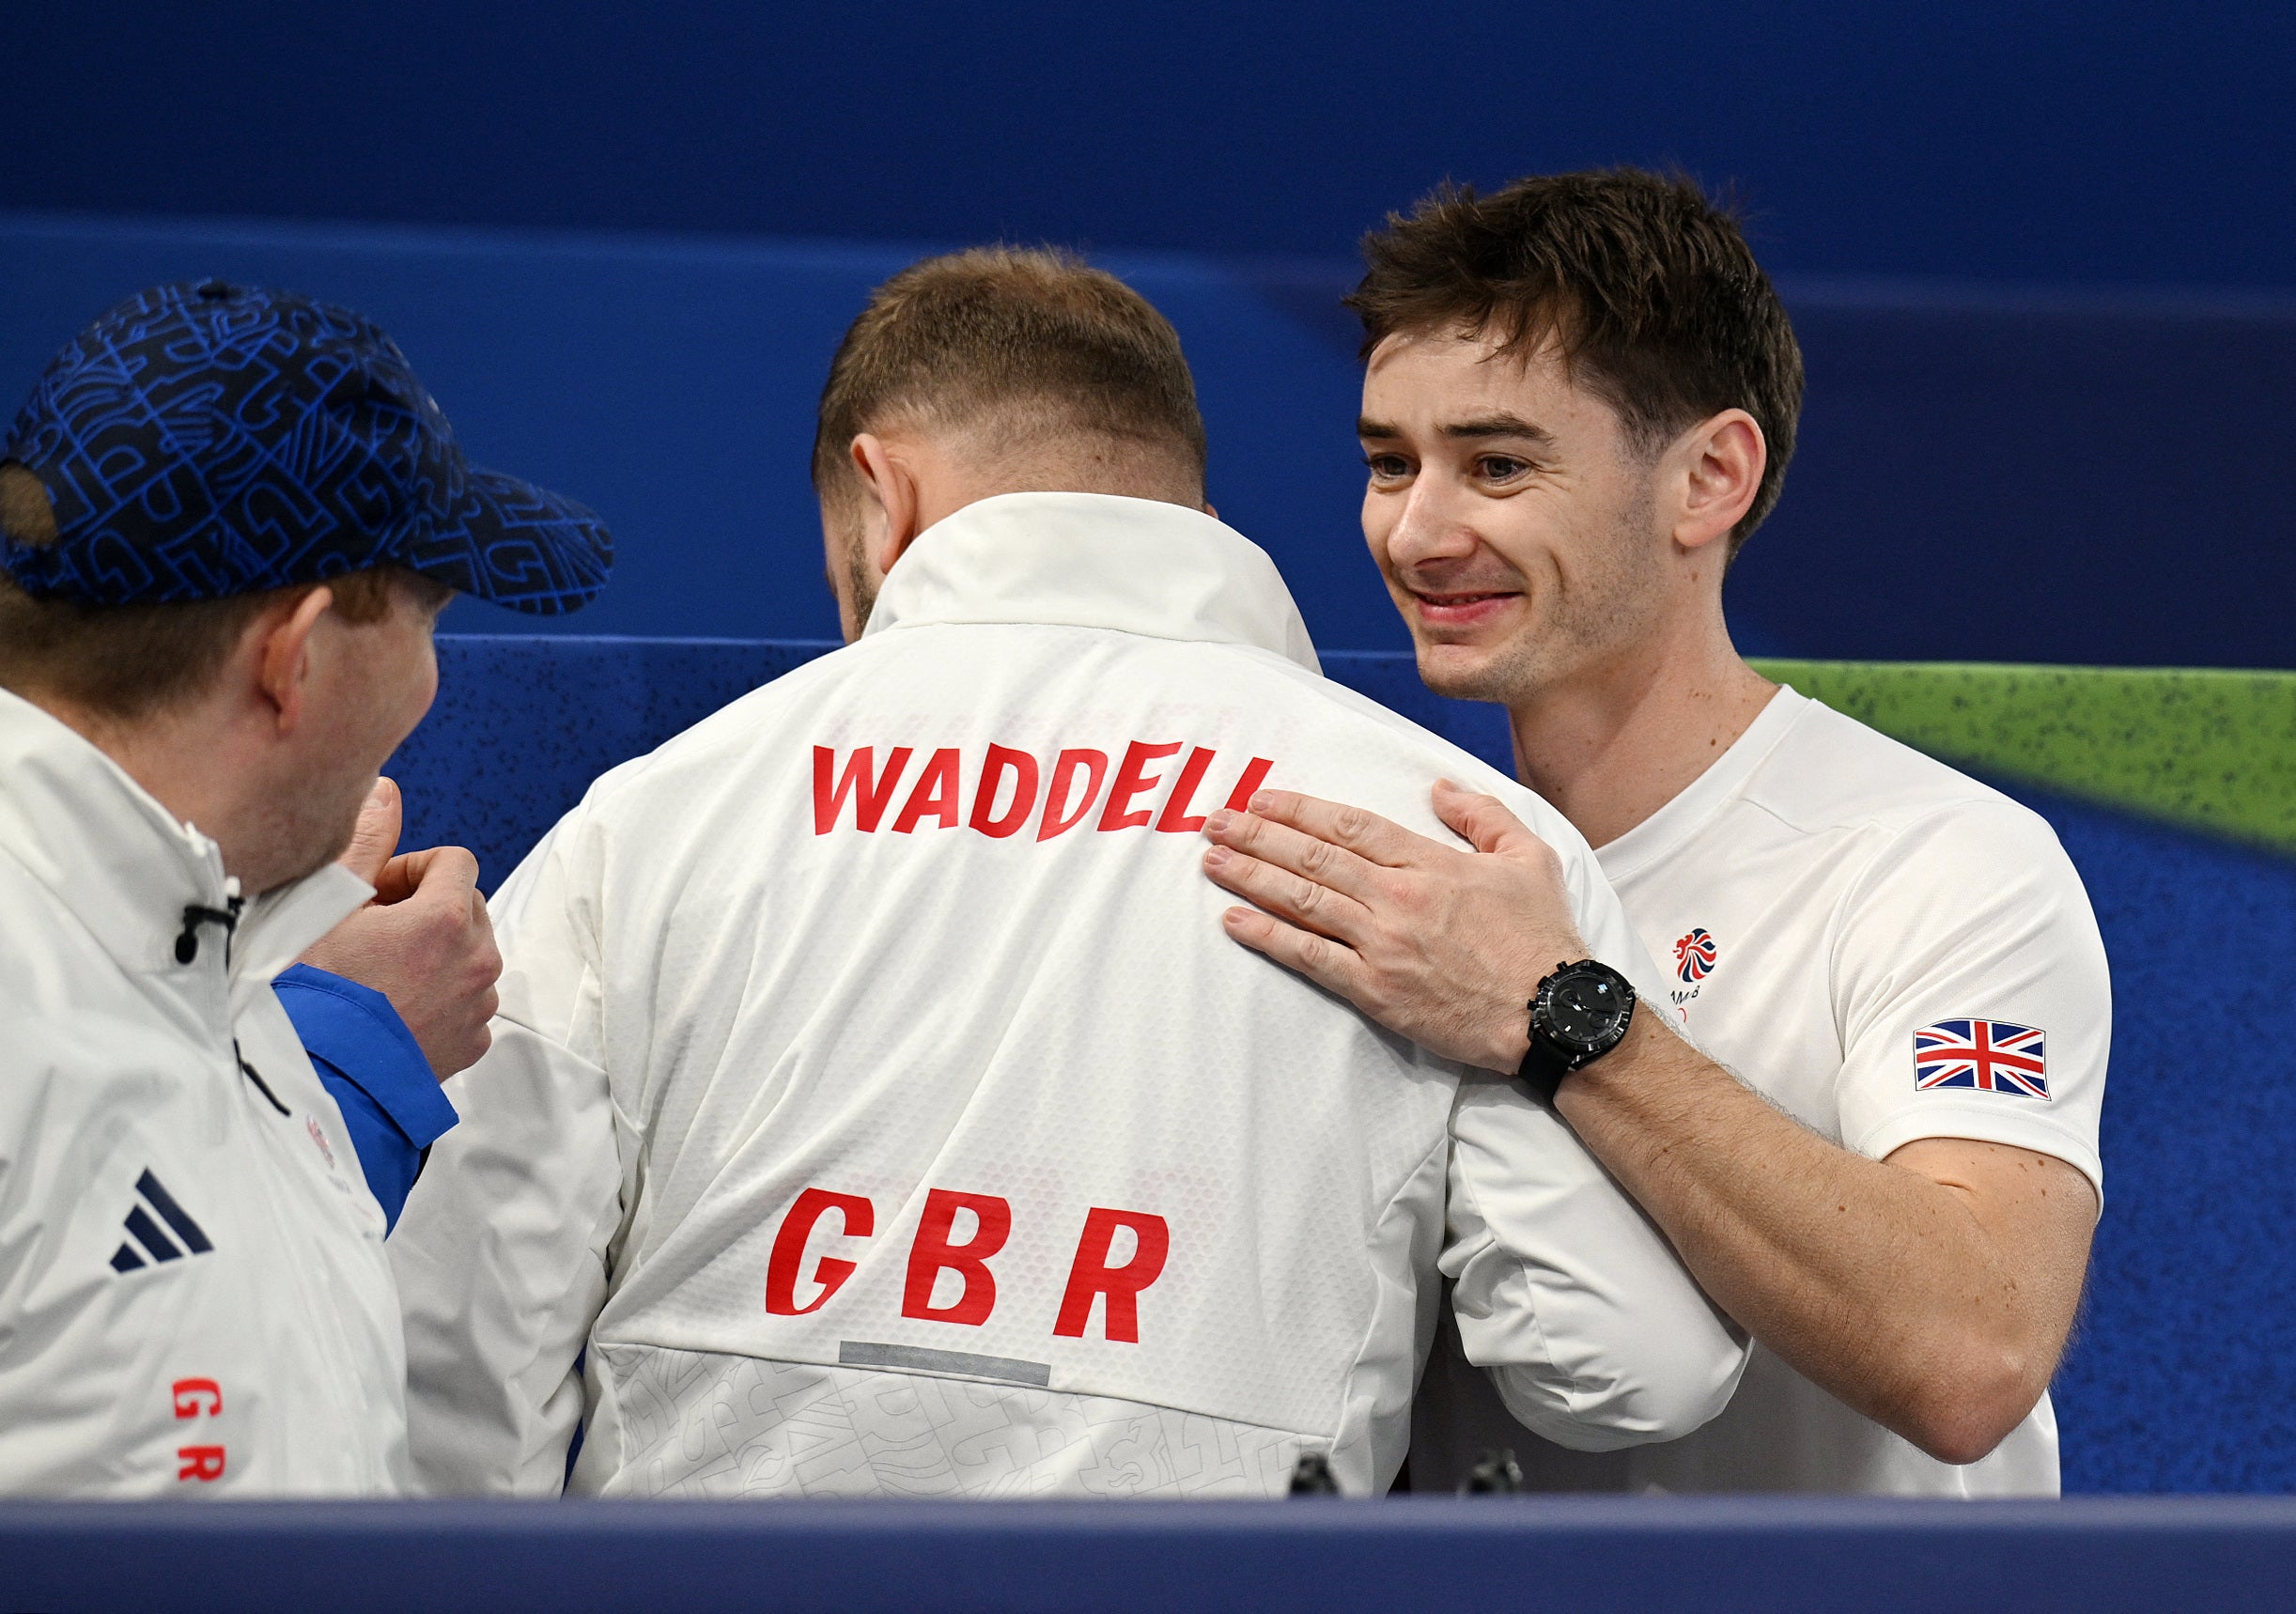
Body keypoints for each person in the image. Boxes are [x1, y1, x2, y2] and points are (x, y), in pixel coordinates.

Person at [387, 248, 1744, 1499]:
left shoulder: (655, 819)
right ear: (1188, 510)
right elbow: (1633, 1366)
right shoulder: (1454, 845)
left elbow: (448, 1374)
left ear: (883, 494)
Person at [1198, 170, 2109, 1496]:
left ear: (1709, 478)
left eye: (1498, 465)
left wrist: (1559, 1009)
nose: (1416, 531)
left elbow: (1970, 1350)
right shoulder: (1391, 875)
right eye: (1390, 463)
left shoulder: (1941, 861)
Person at [0, 281, 612, 1495]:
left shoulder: (209, 982)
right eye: (428, 623)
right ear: (299, 658)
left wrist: (337, 1055)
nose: (429, 684)